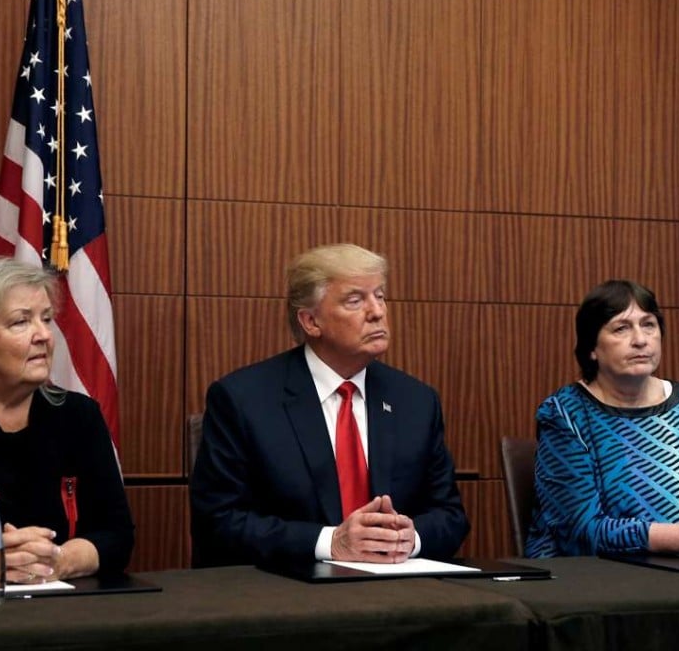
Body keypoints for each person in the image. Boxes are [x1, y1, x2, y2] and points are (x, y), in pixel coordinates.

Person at [189, 243, 469, 567]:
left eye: (379, 295)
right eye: (355, 300)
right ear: (311, 322)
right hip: (288, 596)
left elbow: (450, 516)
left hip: (398, 594)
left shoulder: (416, 401)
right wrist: (331, 542)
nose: (377, 311)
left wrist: (411, 537)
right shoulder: (242, 400)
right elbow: (217, 522)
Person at [0, 257, 134, 583]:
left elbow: (116, 535)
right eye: (21, 322)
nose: (44, 335)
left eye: (46, 319)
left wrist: (56, 561)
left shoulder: (79, 416)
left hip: (58, 613)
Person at [526, 280, 679, 557]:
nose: (640, 340)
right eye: (621, 328)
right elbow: (579, 532)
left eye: (649, 325)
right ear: (591, 347)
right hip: (597, 581)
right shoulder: (566, 414)